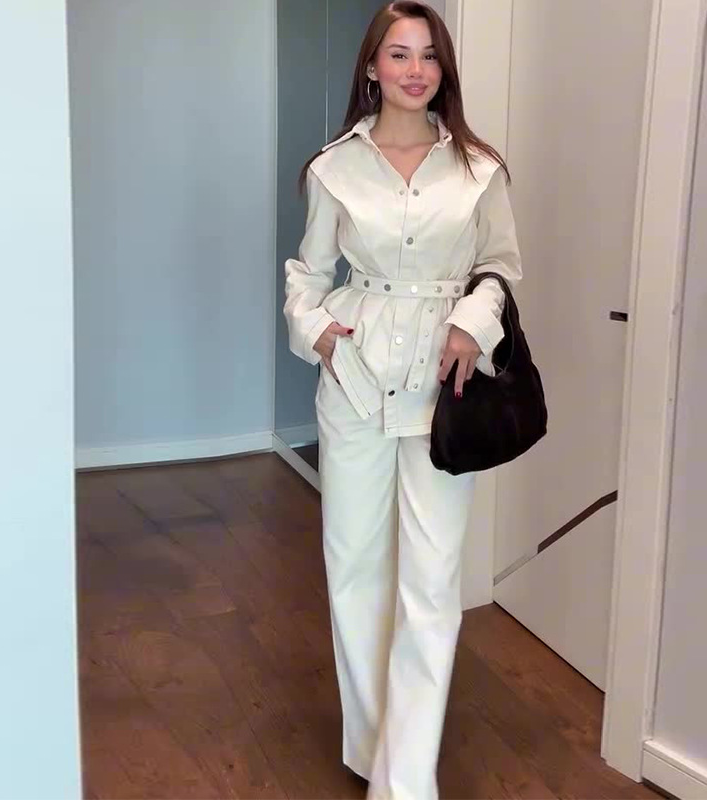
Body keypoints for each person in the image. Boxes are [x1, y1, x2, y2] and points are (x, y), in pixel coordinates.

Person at [284, 2, 522, 797]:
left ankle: (406, 778)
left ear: (442, 69)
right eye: (399, 53)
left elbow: (501, 266)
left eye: (428, 55)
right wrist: (319, 334)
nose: (415, 70)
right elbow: (309, 275)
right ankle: (371, 748)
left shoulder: (479, 169)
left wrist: (472, 322)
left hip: (443, 386)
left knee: (432, 578)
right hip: (354, 377)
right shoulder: (333, 169)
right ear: (372, 67)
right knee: (355, 566)